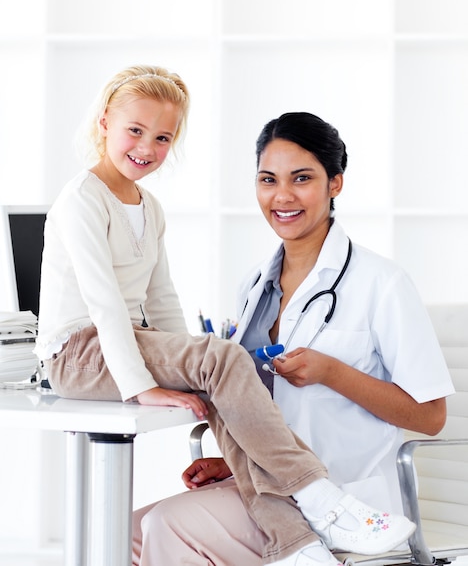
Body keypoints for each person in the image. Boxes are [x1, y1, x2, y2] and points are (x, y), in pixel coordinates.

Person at [35, 72, 415, 566]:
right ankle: (319, 501)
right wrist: (142, 386)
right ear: (105, 122)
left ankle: (296, 547)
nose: (146, 146)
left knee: (218, 370)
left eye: (163, 137)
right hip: (82, 352)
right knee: (223, 358)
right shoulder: (83, 199)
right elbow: (104, 303)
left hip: (130, 342)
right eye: (135, 130)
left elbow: (163, 295)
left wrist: (185, 361)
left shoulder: (148, 206)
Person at [132, 111, 455, 566]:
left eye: (301, 178)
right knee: (125, 532)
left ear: (335, 184)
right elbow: (258, 408)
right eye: (268, 180)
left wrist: (331, 372)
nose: (282, 196)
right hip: (270, 485)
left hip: (345, 493)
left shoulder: (381, 283)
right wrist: (234, 463)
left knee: (167, 524)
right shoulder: (254, 286)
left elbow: (431, 416)